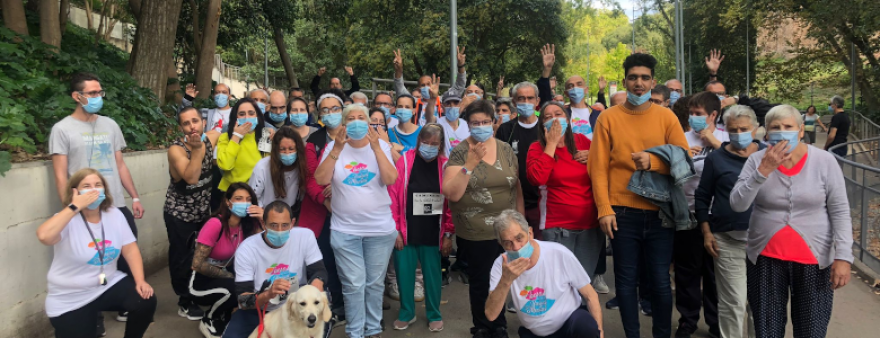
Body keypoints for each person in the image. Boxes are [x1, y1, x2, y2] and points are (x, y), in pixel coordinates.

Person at [587, 53, 689, 338]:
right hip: (621, 213)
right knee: (625, 281)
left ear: (653, 82)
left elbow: (684, 158)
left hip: (660, 213)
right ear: (625, 81)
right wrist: (604, 208)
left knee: (659, 281)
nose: (639, 83)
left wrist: (654, 162)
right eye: (633, 78)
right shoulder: (608, 118)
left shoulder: (666, 116)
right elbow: (598, 169)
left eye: (645, 78)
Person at [730, 105, 853, 338]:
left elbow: (839, 210)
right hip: (766, 257)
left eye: (788, 127)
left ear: (800, 131)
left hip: (814, 260)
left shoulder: (824, 161)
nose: (782, 132)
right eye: (775, 127)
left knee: (811, 329)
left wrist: (844, 257)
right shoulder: (757, 160)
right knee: (767, 329)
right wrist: (763, 171)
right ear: (766, 134)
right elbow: (738, 204)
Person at [49, 72, 145, 327]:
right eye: (92, 93)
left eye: (99, 92)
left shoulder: (110, 125)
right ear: (76, 96)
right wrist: (70, 209)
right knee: (91, 260)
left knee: (124, 254)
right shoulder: (62, 129)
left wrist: (134, 196)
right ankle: (93, 314)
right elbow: (61, 175)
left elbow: (120, 165)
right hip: (83, 209)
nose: (97, 97)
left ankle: (124, 303)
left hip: (113, 205)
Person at [37, 168, 156, 338]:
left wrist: (140, 281)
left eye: (98, 185)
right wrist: (75, 206)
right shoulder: (66, 219)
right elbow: (44, 236)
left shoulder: (114, 214)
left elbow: (129, 248)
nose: (93, 189)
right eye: (86, 185)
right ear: (75, 191)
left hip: (106, 284)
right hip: (71, 295)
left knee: (145, 300)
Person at [315, 104, 398, 338]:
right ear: (343, 123)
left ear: (369, 122)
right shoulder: (334, 146)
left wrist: (377, 148)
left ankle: (373, 330)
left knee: (374, 284)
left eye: (361, 117)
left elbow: (391, 178)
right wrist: (337, 149)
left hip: (380, 230)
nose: (356, 121)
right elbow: (321, 178)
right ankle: (355, 332)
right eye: (350, 118)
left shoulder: (380, 145)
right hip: (345, 230)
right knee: (353, 284)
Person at [443, 100, 525, 338]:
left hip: (507, 230)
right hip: (475, 230)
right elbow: (452, 192)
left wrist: (520, 222)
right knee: (482, 280)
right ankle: (482, 325)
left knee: (504, 277)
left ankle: (498, 324)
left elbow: (515, 185)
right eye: (475, 123)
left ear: (493, 122)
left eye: (485, 122)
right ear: (468, 125)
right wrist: (470, 163)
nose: (481, 126)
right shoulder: (460, 151)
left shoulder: (505, 149)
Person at [695, 105, 764, 338]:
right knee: (732, 302)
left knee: (761, 303)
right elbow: (703, 196)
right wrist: (706, 232)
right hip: (727, 238)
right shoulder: (716, 159)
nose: (738, 133)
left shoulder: (768, 156)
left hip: (765, 241)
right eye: (733, 129)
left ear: (755, 129)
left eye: (744, 128)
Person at [485, 210, 603, 338]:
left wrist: (600, 332)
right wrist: (505, 281)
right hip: (535, 332)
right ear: (501, 244)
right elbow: (491, 314)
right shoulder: (501, 265)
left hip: (570, 321)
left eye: (519, 238)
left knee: (586, 326)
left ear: (530, 233)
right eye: (508, 243)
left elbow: (591, 296)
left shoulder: (558, 253)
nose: (516, 247)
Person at [387, 124, 455, 332]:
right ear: (418, 142)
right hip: (407, 229)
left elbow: (451, 202)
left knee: (433, 275)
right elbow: (394, 196)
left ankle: (434, 313)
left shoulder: (445, 165)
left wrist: (448, 234)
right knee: (404, 274)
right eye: (425, 143)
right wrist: (396, 229)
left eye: (434, 144)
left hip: (433, 231)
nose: (429, 147)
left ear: (441, 145)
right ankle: (407, 313)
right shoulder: (405, 161)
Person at [224, 201, 327, 338]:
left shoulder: (305, 236)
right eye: (273, 225)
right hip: (259, 310)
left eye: (285, 225)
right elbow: (243, 301)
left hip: (296, 308)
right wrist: (268, 294)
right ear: (263, 224)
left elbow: (319, 272)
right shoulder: (247, 249)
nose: (279, 231)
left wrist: (313, 292)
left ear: (292, 223)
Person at [526, 101, 603, 279]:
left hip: (590, 225)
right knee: (559, 282)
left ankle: (582, 308)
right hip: (557, 226)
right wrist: (551, 145)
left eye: (558, 114)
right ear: (541, 124)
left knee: (583, 281)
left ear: (567, 119)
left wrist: (593, 156)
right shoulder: (537, 148)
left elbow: (603, 171)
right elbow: (537, 178)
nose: (554, 119)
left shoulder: (583, 141)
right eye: (547, 116)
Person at [675, 91, 730, 337]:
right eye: (691, 113)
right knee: (687, 271)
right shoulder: (681, 138)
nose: (694, 118)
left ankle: (715, 322)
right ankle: (687, 320)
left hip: (717, 217)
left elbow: (739, 168)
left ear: (714, 115)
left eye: (699, 114)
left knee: (713, 274)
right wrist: (683, 158)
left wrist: (715, 144)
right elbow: (670, 174)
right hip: (687, 214)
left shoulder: (727, 139)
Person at [164, 106, 220, 323]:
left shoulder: (210, 138)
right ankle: (184, 301)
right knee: (181, 257)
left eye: (195, 121)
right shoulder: (176, 151)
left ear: (203, 123)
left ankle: (198, 291)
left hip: (201, 214)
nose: (192, 126)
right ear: (181, 128)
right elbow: (191, 178)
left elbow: (224, 131)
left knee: (201, 255)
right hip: (179, 214)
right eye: (186, 123)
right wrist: (197, 150)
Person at [191, 183, 264, 337]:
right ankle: (209, 318)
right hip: (200, 281)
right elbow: (197, 264)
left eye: (248, 199)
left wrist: (263, 220)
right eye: (238, 199)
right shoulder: (215, 224)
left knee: (253, 282)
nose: (244, 203)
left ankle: (226, 313)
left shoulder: (246, 225)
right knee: (235, 288)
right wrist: (229, 276)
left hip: (225, 274)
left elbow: (264, 248)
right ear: (228, 202)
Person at [494, 80, 541, 240]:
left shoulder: (545, 128)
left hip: (540, 202)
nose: (526, 102)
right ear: (514, 102)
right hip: (512, 202)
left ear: (537, 101)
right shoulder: (506, 129)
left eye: (530, 98)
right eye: (521, 99)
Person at [249, 128, 308, 207]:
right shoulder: (262, 167)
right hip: (265, 213)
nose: (287, 153)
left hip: (290, 214)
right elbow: (253, 197)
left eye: (291, 149)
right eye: (282, 149)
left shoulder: (303, 167)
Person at [216, 98, 265, 192]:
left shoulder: (265, 136)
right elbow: (225, 165)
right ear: (235, 117)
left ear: (257, 116)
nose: (247, 117)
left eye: (251, 113)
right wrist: (236, 137)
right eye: (242, 114)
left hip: (259, 192)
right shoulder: (225, 137)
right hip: (233, 192)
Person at [310, 90, 348, 155]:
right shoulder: (313, 140)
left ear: (342, 109)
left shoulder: (354, 134)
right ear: (319, 114)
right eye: (325, 110)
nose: (330, 113)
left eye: (335, 109)